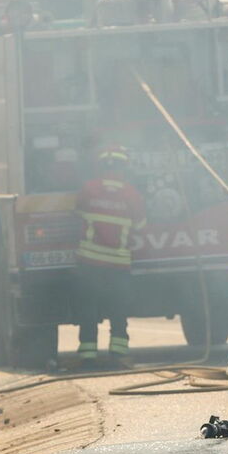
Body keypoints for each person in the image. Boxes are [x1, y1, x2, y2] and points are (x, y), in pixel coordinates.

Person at [74, 145, 146, 368]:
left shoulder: (88, 189)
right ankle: (118, 354)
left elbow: (78, 213)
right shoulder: (131, 194)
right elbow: (141, 225)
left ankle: (87, 355)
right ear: (124, 167)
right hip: (118, 264)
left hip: (89, 263)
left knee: (88, 308)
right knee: (118, 309)